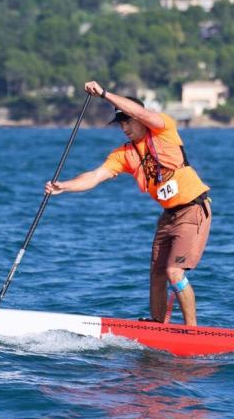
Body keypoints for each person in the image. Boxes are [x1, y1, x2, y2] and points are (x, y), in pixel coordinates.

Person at [45, 81, 211, 326]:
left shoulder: (164, 130)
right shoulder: (124, 154)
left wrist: (103, 94)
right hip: (168, 216)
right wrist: (65, 186)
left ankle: (192, 333)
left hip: (192, 209)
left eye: (127, 121)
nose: (124, 127)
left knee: (174, 273)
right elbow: (95, 176)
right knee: (156, 275)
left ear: (139, 119)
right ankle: (158, 326)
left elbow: (142, 112)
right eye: (120, 123)